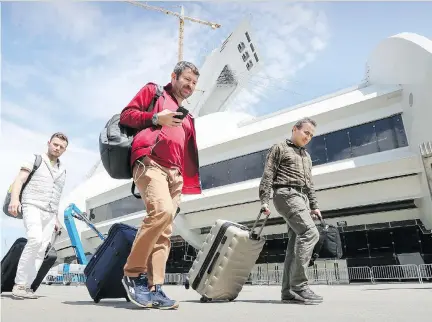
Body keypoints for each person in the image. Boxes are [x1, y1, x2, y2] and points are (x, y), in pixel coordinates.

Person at [119, 61, 202, 310]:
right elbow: (127, 116)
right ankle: (132, 275)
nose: (190, 85)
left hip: (175, 175)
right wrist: (156, 118)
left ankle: (155, 288)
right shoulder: (155, 92)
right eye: (186, 79)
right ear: (174, 77)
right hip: (151, 162)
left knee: (165, 230)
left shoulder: (187, 117)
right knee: (161, 212)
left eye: (195, 83)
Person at [258, 117, 323, 305]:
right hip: (285, 194)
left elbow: (309, 184)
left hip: (301, 198)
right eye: (306, 132)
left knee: (294, 245)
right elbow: (268, 174)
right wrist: (264, 200)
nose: (308, 137)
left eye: (311, 135)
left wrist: (314, 206)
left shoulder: (307, 157)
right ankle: (299, 284)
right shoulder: (279, 148)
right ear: (295, 129)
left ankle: (287, 292)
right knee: (310, 233)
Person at [9, 132, 68, 299]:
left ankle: (27, 286)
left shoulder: (62, 170)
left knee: (42, 249)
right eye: (55, 144)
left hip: (50, 212)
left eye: (61, 147)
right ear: (49, 143)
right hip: (32, 204)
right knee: (34, 239)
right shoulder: (35, 159)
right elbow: (19, 180)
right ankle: (19, 284)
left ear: (64, 150)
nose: (57, 148)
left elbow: (56, 195)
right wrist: (15, 199)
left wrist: (56, 218)